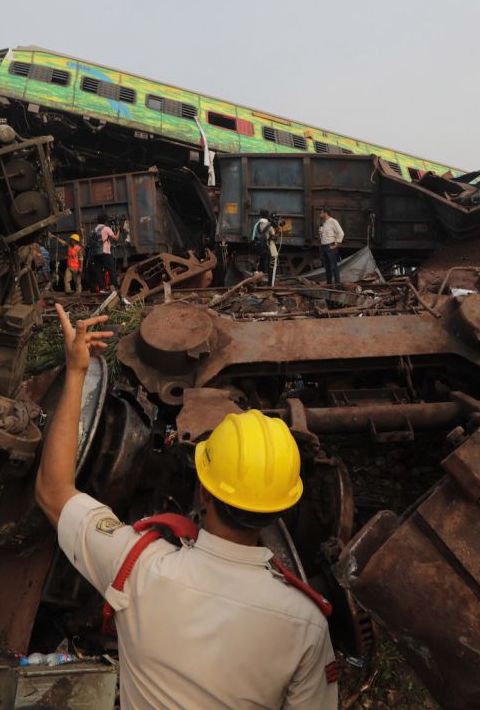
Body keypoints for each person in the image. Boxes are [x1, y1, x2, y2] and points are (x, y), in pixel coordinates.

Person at [36, 308, 339, 710]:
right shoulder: (307, 626)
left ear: (204, 492)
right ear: (281, 509)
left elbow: (53, 490)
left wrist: (77, 371)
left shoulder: (137, 565)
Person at [317, 208, 344, 285]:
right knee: (327, 267)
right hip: (324, 247)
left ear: (326, 213)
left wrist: (335, 244)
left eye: (321, 213)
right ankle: (329, 284)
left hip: (330, 246)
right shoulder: (323, 223)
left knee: (334, 266)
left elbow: (341, 233)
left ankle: (337, 284)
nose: (320, 214)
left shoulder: (333, 221)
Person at [94, 214, 120, 291]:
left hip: (96, 253)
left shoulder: (95, 229)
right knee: (111, 269)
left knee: (99, 271)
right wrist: (118, 230)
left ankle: (102, 288)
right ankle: (116, 287)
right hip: (105, 253)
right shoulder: (106, 228)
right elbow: (116, 239)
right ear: (105, 221)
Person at [251, 209, 273, 278]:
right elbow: (273, 234)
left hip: (257, 245)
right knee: (270, 263)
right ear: (267, 216)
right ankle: (269, 281)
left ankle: (259, 276)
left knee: (261, 261)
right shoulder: (268, 225)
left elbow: (253, 237)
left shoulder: (256, 224)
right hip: (265, 246)